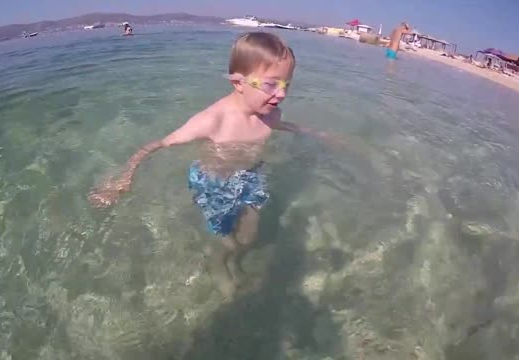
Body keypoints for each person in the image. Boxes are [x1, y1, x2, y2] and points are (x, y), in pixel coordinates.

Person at [88, 32, 346, 300]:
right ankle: (218, 263)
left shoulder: (270, 113)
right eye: (271, 85)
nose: (281, 94)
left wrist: (318, 135)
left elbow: (284, 126)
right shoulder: (212, 120)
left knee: (248, 236)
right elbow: (156, 145)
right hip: (215, 183)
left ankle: (234, 259)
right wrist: (123, 179)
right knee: (224, 238)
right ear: (238, 82)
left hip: (250, 176)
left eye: (286, 85)